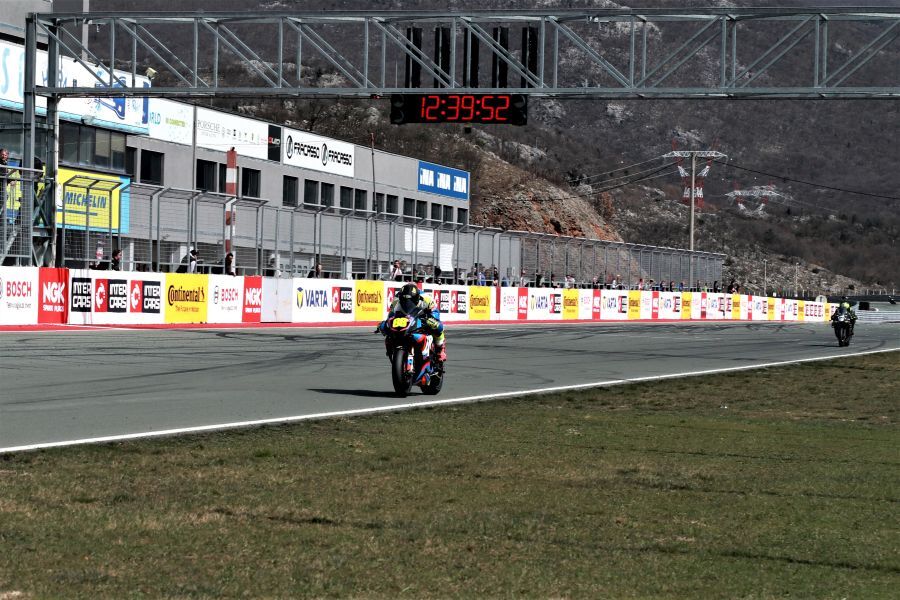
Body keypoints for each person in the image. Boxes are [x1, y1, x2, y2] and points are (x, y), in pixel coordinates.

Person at [378, 282, 446, 362]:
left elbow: (435, 313)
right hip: (406, 316)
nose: (407, 303)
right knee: (387, 329)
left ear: (416, 298)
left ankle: (440, 348)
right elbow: (391, 315)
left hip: (424, 314)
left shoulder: (426, 298)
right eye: (404, 300)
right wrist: (386, 324)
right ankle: (392, 350)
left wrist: (430, 319)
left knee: (437, 326)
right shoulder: (396, 299)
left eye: (410, 300)